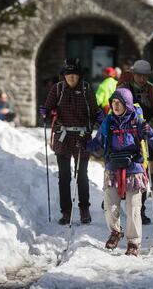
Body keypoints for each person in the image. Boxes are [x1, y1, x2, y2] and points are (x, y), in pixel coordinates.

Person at [87, 88, 153, 256]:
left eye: (119, 102)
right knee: (110, 205)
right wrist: (85, 145)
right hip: (113, 168)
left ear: (127, 104)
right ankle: (115, 232)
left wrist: (149, 133)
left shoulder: (137, 122)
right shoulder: (109, 122)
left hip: (133, 169)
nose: (115, 105)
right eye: (113, 102)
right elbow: (98, 141)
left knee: (134, 207)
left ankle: (133, 243)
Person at [40, 58, 101, 225]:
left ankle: (84, 209)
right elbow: (49, 106)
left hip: (82, 137)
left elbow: (94, 111)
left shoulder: (87, 89)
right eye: (68, 75)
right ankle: (66, 211)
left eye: (75, 75)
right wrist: (45, 111)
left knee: (82, 175)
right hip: (63, 137)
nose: (72, 78)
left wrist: (101, 118)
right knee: (64, 176)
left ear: (80, 76)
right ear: (64, 76)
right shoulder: (57, 89)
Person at [117, 60, 153, 224]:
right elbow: (116, 110)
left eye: (144, 76)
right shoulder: (123, 89)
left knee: (142, 174)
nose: (141, 78)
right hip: (123, 134)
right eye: (139, 75)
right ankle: (116, 202)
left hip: (142, 137)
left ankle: (141, 210)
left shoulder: (152, 91)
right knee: (120, 170)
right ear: (133, 74)